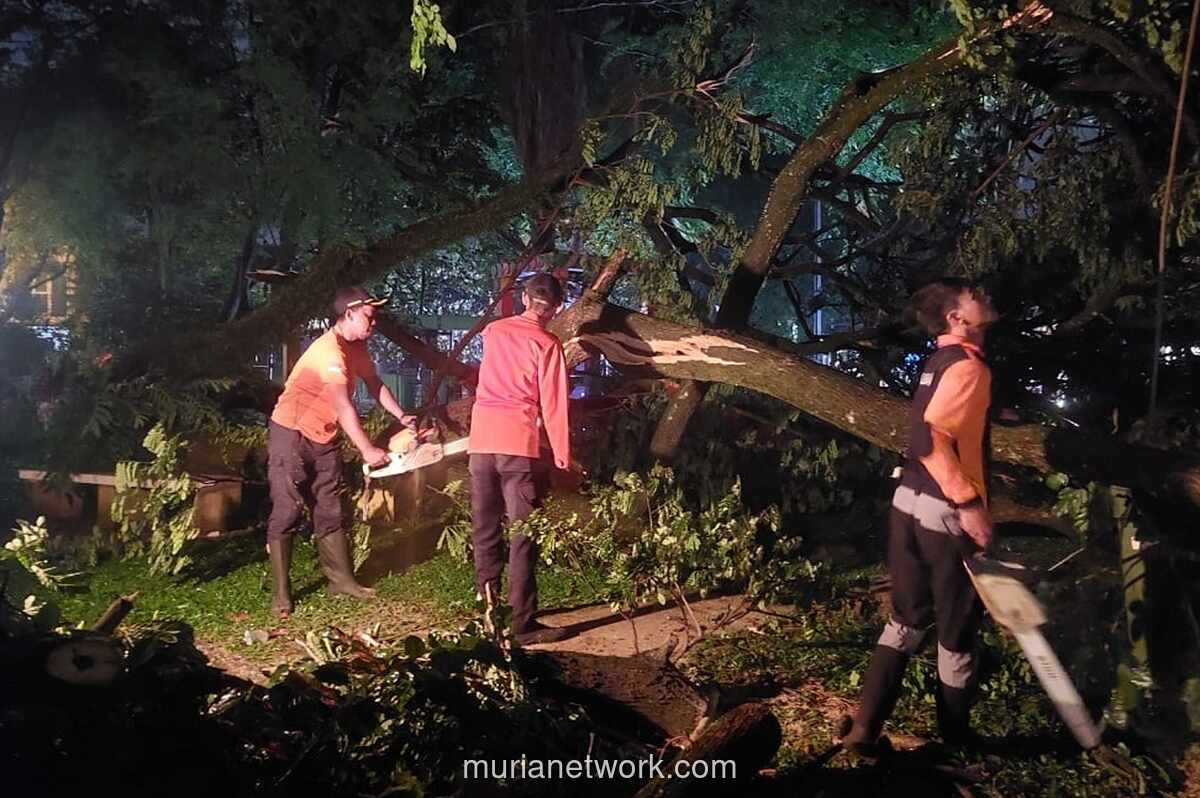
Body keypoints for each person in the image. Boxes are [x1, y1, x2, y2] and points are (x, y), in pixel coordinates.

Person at [841, 278, 1000, 756]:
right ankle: (955, 740)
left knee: (907, 617)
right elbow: (930, 438)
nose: (984, 296)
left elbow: (933, 422)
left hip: (907, 502)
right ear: (957, 317)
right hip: (942, 511)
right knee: (957, 626)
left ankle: (864, 730)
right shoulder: (969, 368)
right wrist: (968, 505)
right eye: (974, 296)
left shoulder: (939, 361)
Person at [266, 285, 417, 619]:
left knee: (330, 507)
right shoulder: (328, 352)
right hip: (291, 433)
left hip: (324, 435)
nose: (373, 323)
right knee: (288, 509)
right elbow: (343, 405)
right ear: (348, 314)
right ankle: (281, 594)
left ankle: (341, 582)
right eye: (368, 316)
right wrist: (367, 449)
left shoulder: (357, 348)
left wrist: (401, 415)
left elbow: (375, 384)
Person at [468, 273, 574, 645]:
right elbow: (555, 403)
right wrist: (562, 454)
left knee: (484, 528)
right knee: (522, 533)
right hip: (517, 442)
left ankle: (487, 614)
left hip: (481, 440)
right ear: (556, 308)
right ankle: (522, 624)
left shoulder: (493, 331)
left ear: (525, 299)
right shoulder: (547, 344)